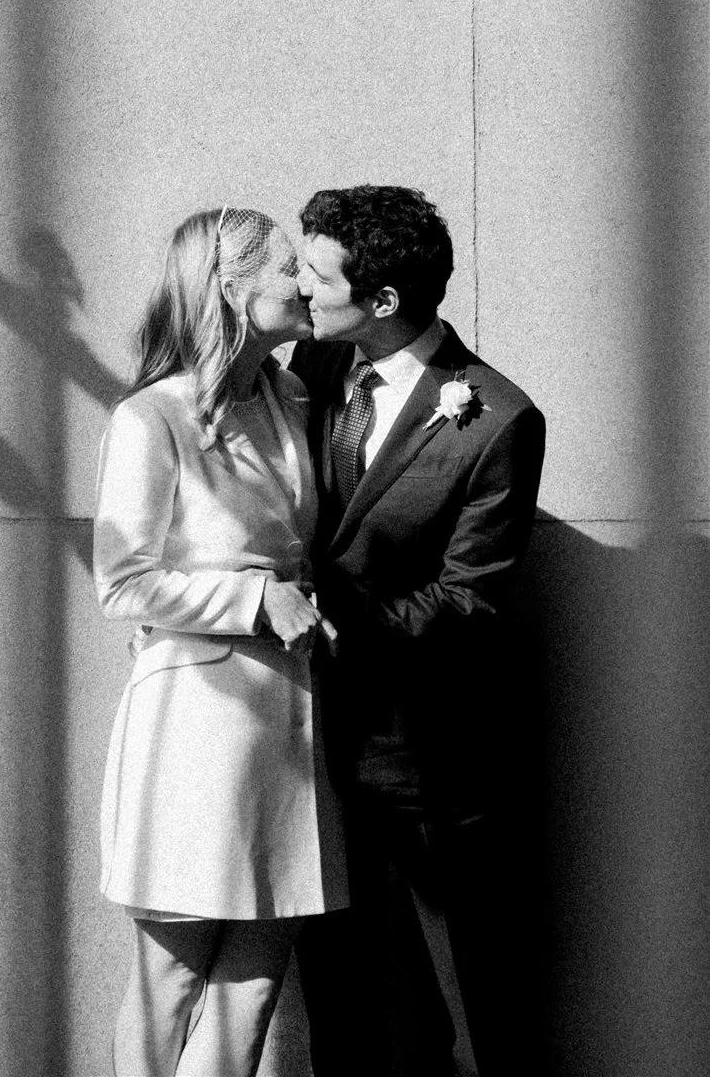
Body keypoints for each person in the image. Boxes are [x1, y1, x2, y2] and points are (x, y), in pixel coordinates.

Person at [290, 186, 545, 1077]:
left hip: (422, 762)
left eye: (316, 274)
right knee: (340, 1001)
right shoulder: (307, 373)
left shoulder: (497, 417)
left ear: (383, 302)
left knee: (465, 1002)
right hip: (300, 748)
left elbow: (467, 600)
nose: (298, 286)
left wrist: (328, 617)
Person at [95, 207, 349, 1077]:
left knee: (255, 987)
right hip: (195, 722)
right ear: (233, 290)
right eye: (288, 270)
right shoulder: (151, 419)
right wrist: (252, 597)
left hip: (292, 717)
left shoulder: (293, 398)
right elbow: (122, 581)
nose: (305, 285)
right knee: (169, 976)